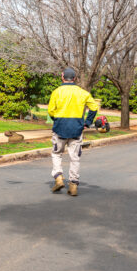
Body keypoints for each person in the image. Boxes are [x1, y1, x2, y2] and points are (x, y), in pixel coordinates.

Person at [47, 67, 99, 196]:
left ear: (62, 76)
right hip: (77, 128)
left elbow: (50, 111)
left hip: (60, 128)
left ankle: (58, 177)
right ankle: (73, 185)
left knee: (56, 153)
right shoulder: (83, 92)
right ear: (75, 78)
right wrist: (87, 122)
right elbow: (94, 107)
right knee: (74, 157)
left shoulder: (56, 92)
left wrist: (57, 119)